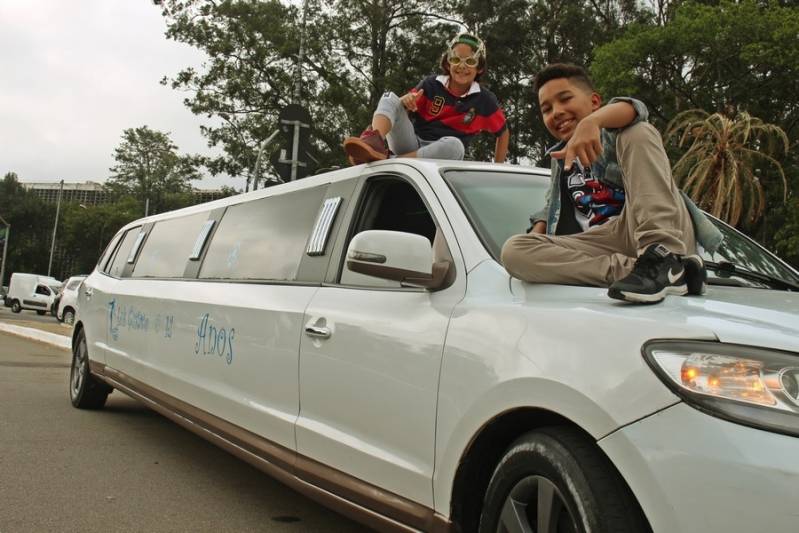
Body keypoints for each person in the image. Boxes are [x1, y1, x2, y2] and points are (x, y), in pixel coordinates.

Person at [501, 63, 721, 304]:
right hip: (604, 243)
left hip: (641, 225)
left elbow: (634, 109)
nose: (557, 112)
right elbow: (550, 208)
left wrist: (592, 123)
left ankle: (663, 255)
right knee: (513, 251)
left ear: (595, 102)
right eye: (547, 109)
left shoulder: (613, 134)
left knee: (639, 132)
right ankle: (648, 271)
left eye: (565, 99)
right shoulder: (559, 160)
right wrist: (539, 235)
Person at [343, 32, 509, 165]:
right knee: (389, 97)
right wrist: (406, 100)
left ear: (479, 68)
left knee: (455, 145)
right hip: (412, 144)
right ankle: (374, 142)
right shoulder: (432, 84)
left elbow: (503, 132)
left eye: (470, 61)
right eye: (456, 59)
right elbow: (399, 107)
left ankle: (389, 162)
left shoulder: (484, 99)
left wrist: (498, 167)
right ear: (448, 63)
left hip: (441, 154)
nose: (462, 66)